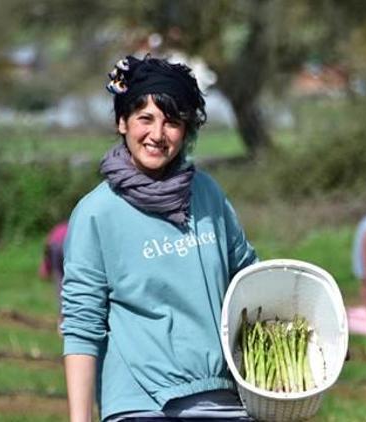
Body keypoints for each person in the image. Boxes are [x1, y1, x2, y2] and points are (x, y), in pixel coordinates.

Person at [61, 55, 258, 422]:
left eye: (171, 122)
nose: (157, 134)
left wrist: (313, 323)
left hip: (221, 398)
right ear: (123, 122)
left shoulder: (206, 194)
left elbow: (248, 275)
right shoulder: (97, 213)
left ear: (186, 129)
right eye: (145, 119)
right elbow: (81, 325)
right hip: (140, 404)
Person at [38, 220, 68, 330]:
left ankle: (62, 318)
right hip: (67, 246)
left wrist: (45, 269)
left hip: (55, 247)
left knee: (59, 280)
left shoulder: (58, 228)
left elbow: (47, 249)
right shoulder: (77, 224)